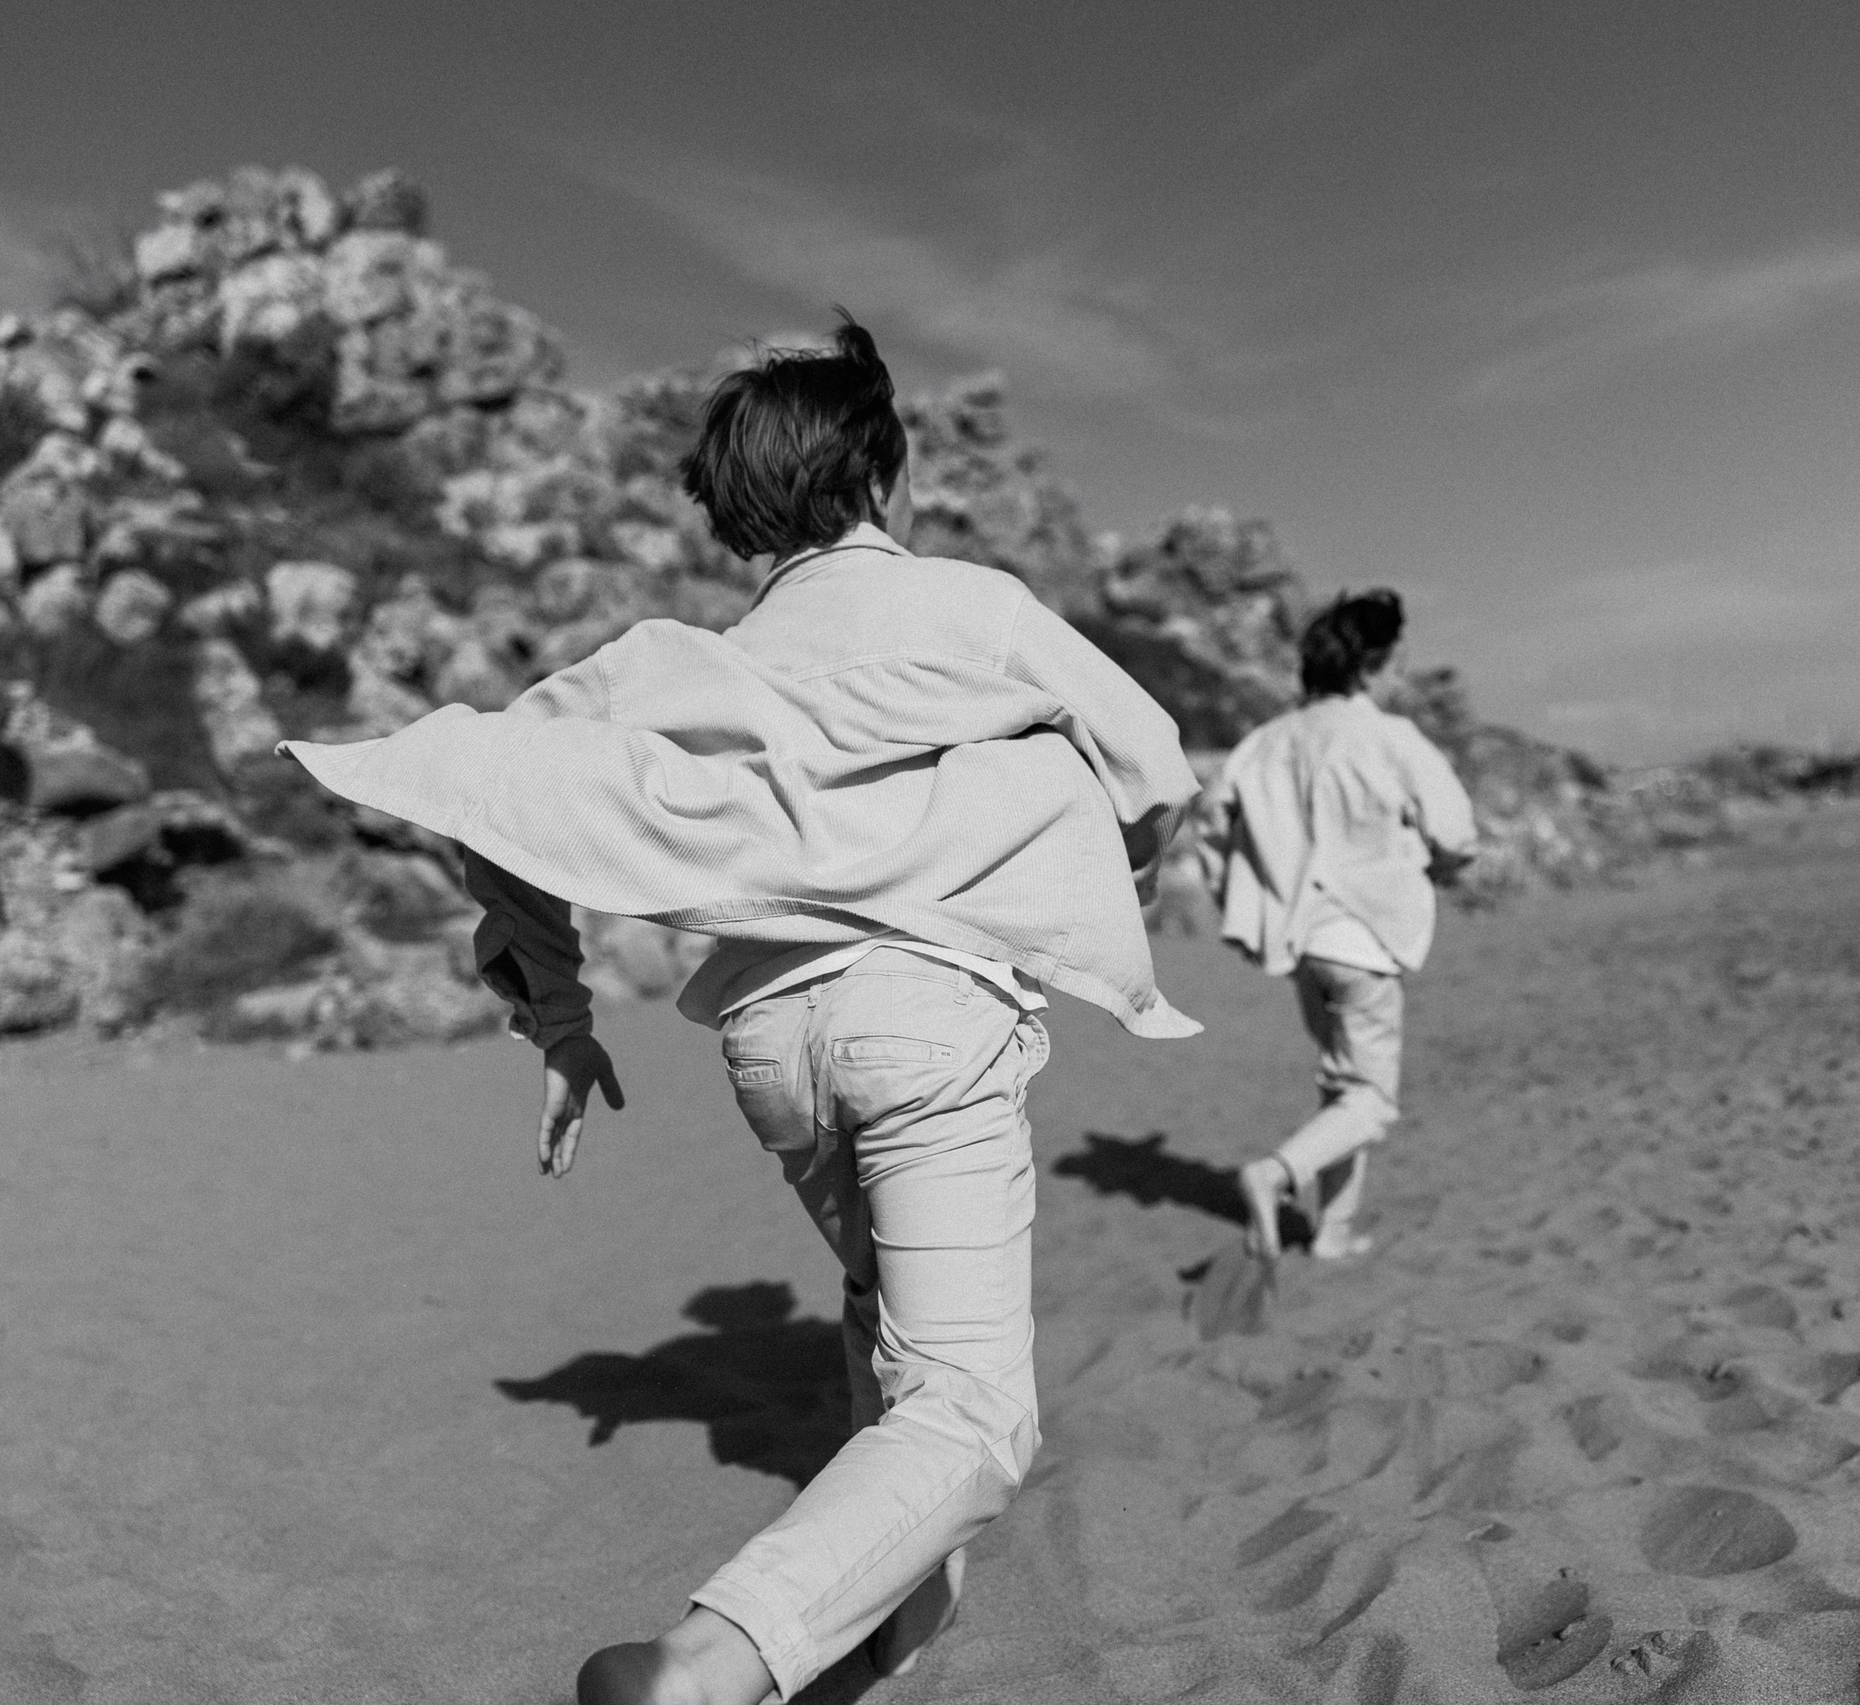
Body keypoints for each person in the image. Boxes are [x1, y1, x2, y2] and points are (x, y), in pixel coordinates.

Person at [279, 315, 1199, 1705]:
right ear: (879, 475)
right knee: (973, 1411)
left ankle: (882, 1636)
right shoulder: (976, 607)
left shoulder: (681, 663)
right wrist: (1089, 871)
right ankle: (704, 1667)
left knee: (883, 1309)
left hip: (772, 1048)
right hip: (926, 1024)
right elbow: (1159, 768)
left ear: (737, 509)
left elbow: (493, 791)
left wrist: (560, 1018)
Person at [1204, 589, 1476, 1262]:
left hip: (1302, 942)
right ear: (1368, 666)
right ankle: (1274, 1174)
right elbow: (1457, 834)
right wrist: (1439, 867)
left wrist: (1243, 901)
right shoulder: (1390, 737)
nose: (1399, 677)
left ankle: (1333, 1231)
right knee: (1371, 1100)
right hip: (1365, 939)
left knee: (1341, 1086)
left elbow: (1213, 827)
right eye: (1395, 664)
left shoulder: (1265, 742)